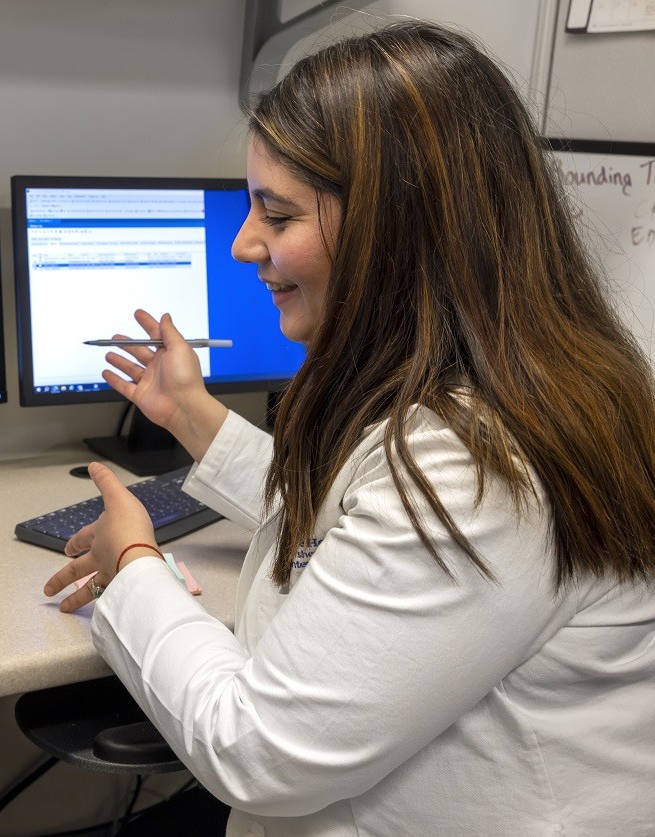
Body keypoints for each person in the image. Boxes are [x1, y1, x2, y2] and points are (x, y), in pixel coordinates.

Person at [43, 21, 655, 836]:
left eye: (277, 212)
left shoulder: (474, 468)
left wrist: (135, 564)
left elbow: (255, 749)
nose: (241, 243)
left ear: (393, 230)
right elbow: (358, 520)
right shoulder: (525, 389)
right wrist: (190, 414)